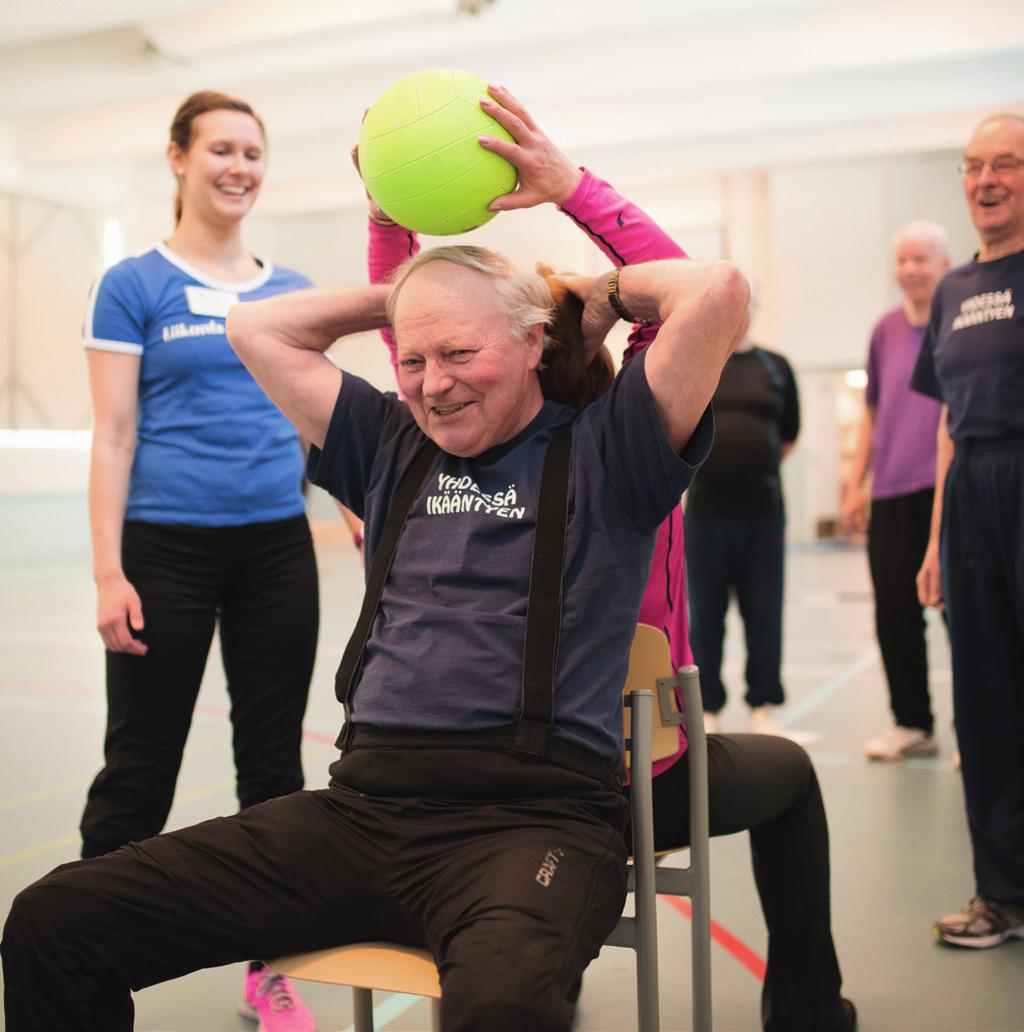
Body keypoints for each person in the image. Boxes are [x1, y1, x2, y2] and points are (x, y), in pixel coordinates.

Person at [1, 88, 749, 1031]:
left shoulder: (615, 452)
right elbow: (256, 329)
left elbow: (715, 291)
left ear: (531, 344)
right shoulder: (389, 445)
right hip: (356, 815)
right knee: (53, 920)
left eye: (461, 352)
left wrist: (587, 285)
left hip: (532, 823)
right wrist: (414, 291)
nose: (432, 384)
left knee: (503, 1007)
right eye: (412, 358)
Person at [367, 85, 855, 1032]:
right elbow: (692, 292)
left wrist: (395, 214)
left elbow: (406, 330)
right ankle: (808, 1012)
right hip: (632, 777)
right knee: (790, 778)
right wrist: (573, 196)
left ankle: (545, 975)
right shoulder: (633, 460)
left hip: (470, 788)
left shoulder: (442, 455)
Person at [78, 90, 318, 1030]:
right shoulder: (134, 283)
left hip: (273, 549)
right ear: (177, 157)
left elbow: (315, 420)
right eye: (221, 148)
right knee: (140, 768)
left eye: (253, 153)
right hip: (163, 549)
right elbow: (113, 435)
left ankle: (275, 966)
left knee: (273, 772)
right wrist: (109, 572)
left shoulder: (289, 287)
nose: (239, 168)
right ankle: (85, 948)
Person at [913, 112, 1024, 949]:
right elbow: (949, 420)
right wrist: (934, 539)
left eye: (1007, 165)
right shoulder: (951, 291)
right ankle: (1002, 892)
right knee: (983, 700)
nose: (986, 180)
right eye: (974, 165)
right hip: (974, 494)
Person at [841, 222, 950, 761]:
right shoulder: (885, 330)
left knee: (962, 610)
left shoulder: (957, 321)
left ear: (944, 264)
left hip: (948, 490)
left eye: (921, 260)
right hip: (890, 491)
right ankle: (913, 724)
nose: (910, 270)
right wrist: (856, 484)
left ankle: (983, 727)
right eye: (902, 261)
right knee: (895, 614)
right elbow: (873, 412)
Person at [680, 301, 801, 735]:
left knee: (764, 611)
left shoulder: (775, 366)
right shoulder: (701, 362)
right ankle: (707, 707)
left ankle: (763, 704)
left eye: (746, 301)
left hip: (762, 514)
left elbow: (788, 435)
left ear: (753, 308)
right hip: (705, 514)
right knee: (706, 615)